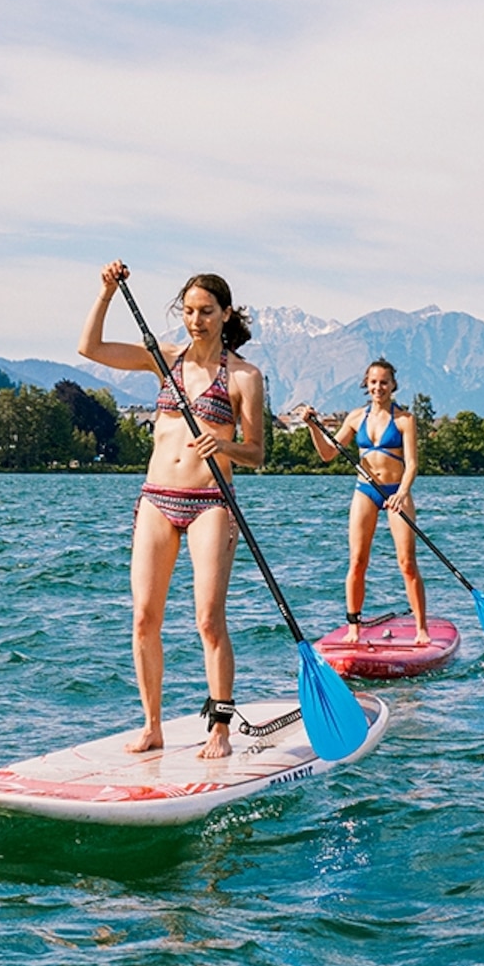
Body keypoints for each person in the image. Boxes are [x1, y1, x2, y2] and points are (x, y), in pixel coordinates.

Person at [78, 263, 268, 758]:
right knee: (144, 617)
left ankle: (220, 728)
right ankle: (152, 726)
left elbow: (257, 452)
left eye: (206, 312)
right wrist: (105, 294)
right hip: (157, 499)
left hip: (211, 503)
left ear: (225, 315)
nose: (195, 321)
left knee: (208, 619)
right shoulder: (166, 359)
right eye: (187, 311)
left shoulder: (245, 376)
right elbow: (90, 349)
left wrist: (222, 447)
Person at [293, 359, 427, 639]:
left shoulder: (405, 420)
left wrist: (402, 493)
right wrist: (312, 427)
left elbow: (412, 464)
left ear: (393, 385)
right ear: (366, 385)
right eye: (373, 382)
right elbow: (327, 454)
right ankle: (354, 627)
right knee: (357, 561)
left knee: (407, 563)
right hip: (365, 491)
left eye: (384, 382)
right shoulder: (356, 418)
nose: (378, 387)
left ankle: (421, 629)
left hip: (396, 493)